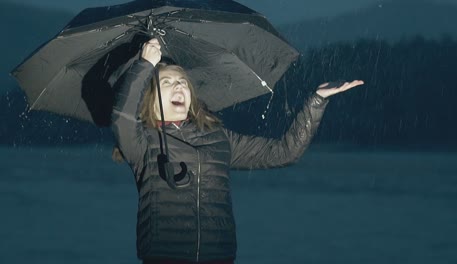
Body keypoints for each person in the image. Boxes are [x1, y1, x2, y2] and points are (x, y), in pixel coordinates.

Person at [111, 38, 364, 264]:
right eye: (167, 82)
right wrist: (144, 65)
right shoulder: (142, 142)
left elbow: (284, 152)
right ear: (150, 97)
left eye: (182, 82)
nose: (178, 87)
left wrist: (316, 101)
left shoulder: (218, 137)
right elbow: (122, 118)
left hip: (219, 256)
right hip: (165, 257)